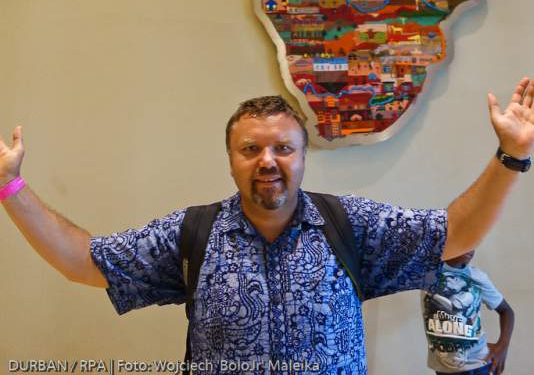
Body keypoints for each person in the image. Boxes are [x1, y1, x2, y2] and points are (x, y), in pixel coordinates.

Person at [1, 78, 533, 374]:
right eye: (251, 149)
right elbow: (83, 261)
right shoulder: (193, 234)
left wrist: (511, 157)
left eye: (283, 148)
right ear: (231, 160)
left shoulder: (349, 225)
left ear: (303, 156)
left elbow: (454, 234)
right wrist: (9, 187)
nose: (268, 161)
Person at [422, 249, 514, 375]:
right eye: (464, 243)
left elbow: (507, 311)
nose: (470, 249)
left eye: (473, 244)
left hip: (478, 366)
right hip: (443, 367)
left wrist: (502, 347)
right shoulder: (427, 274)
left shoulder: (477, 277)